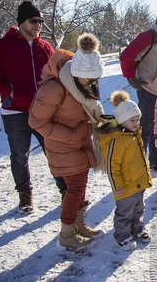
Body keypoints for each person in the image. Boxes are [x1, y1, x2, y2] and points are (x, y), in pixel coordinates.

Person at [0, 1, 67, 214]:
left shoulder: (45, 47)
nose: (38, 26)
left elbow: (56, 74)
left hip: (43, 110)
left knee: (53, 151)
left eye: (41, 22)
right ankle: (25, 196)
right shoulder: (3, 46)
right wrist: (6, 90)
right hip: (15, 111)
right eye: (34, 21)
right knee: (19, 155)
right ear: (21, 22)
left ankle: (66, 191)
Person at [28, 33, 105, 252]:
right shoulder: (55, 88)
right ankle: (66, 235)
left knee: (80, 187)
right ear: (77, 73)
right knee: (74, 189)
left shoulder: (80, 85)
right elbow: (36, 121)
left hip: (79, 144)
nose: (93, 84)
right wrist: (72, 135)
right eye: (89, 80)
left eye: (95, 79)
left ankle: (78, 226)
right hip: (63, 146)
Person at [119, 10, 157, 170]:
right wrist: (131, 78)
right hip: (149, 90)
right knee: (145, 129)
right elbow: (126, 56)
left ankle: (155, 162)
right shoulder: (148, 36)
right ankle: (137, 165)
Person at [97, 90, 152, 251]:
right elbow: (111, 165)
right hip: (125, 186)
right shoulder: (117, 141)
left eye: (137, 119)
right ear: (122, 121)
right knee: (124, 213)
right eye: (132, 120)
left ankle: (137, 229)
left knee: (138, 209)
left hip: (138, 183)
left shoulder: (133, 134)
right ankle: (121, 236)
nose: (136, 123)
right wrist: (117, 186)